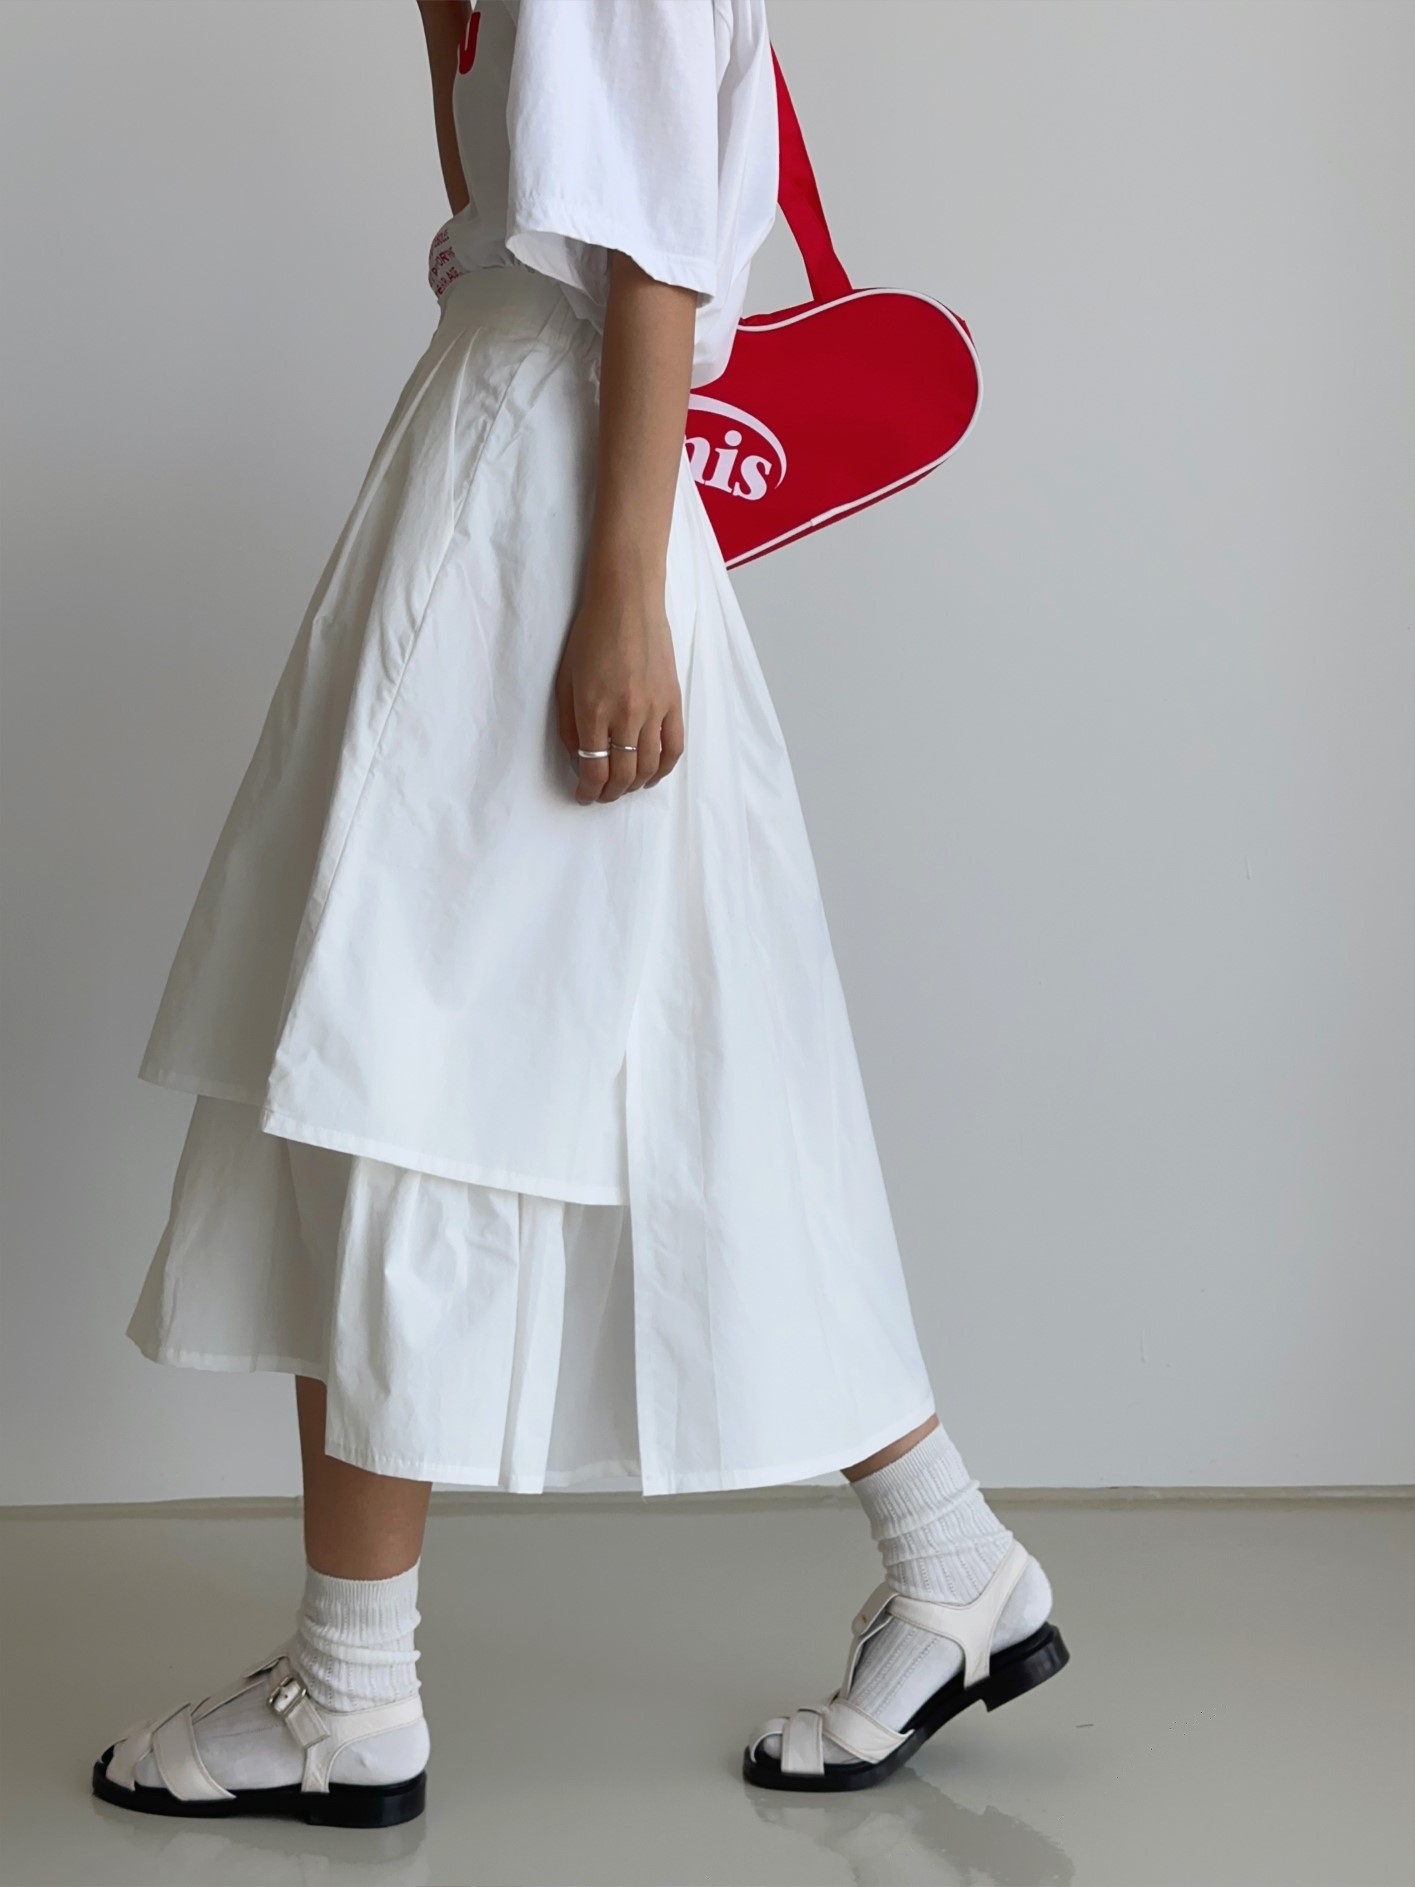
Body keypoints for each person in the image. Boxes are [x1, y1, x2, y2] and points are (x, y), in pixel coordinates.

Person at [92, 0, 1068, 1826]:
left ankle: (352, 1692)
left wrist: (618, 591)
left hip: (546, 504)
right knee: (686, 1064)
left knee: (396, 1051)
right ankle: (954, 1562)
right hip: (520, 470)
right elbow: (508, 195)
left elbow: (647, 258)